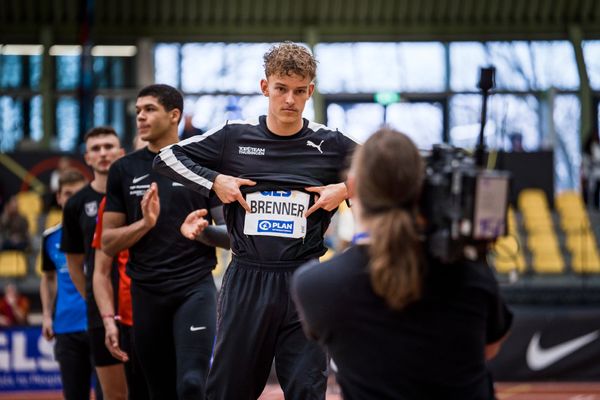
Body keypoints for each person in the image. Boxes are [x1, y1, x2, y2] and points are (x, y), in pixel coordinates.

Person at [153, 41, 358, 400]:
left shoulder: (331, 143)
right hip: (246, 279)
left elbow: (391, 173)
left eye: (298, 91)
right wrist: (216, 180)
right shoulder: (234, 136)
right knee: (229, 390)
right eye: (281, 89)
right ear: (266, 87)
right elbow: (166, 157)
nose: (289, 100)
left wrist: (344, 188)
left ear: (310, 91)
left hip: (304, 279)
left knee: (308, 390)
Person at [292, 128, 513, 400]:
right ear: (422, 190)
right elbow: (488, 348)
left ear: (354, 186)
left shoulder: (316, 285)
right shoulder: (469, 272)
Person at [102, 84, 227, 399]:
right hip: (147, 293)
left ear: (174, 115)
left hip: (194, 289)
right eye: (138, 111)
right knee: (159, 391)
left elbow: (232, 236)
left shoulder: (203, 163)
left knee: (191, 385)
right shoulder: (123, 170)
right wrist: (145, 224)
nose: (140, 117)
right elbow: (108, 242)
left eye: (149, 109)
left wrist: (203, 231)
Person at [61, 126, 127, 400]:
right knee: (112, 393)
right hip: (101, 308)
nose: (103, 153)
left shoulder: (134, 192)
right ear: (87, 158)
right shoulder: (76, 203)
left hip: (140, 299)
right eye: (96, 149)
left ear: (121, 153)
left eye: (108, 146)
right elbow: (75, 262)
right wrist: (93, 296)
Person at [40, 169, 103, 400]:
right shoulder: (50, 238)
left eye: (78, 193)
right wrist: (47, 315)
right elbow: (47, 278)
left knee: (110, 394)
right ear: (59, 198)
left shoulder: (105, 232)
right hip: (66, 328)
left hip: (101, 324)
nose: (73, 199)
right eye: (67, 194)